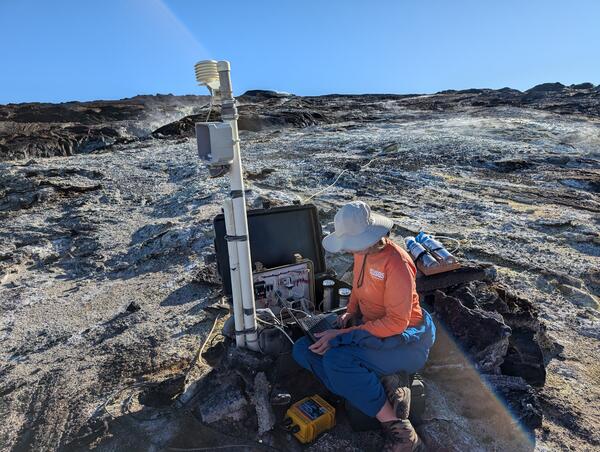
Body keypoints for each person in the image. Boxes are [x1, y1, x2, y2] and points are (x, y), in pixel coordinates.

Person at [292, 201, 436, 452]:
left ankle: (402, 433)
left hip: (404, 341)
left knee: (337, 361)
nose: (349, 250)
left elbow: (396, 323)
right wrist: (349, 312)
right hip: (373, 332)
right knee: (304, 349)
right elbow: (358, 288)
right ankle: (383, 383)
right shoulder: (363, 253)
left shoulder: (397, 264)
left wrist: (342, 335)